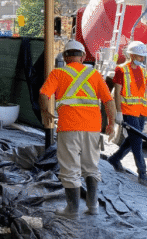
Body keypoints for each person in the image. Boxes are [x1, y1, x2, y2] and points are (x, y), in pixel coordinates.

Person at [39, 40, 116, 218]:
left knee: (70, 168)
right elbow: (108, 101)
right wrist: (111, 123)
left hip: (68, 127)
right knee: (91, 166)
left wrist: (45, 112)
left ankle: (72, 210)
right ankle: (93, 206)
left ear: (65, 57)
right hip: (92, 128)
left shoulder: (58, 73)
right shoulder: (95, 74)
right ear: (83, 57)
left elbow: (43, 94)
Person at [107, 41, 147, 187]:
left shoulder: (143, 71)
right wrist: (118, 112)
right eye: (140, 56)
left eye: (143, 56)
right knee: (137, 141)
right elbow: (117, 92)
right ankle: (143, 174)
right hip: (128, 110)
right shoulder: (121, 70)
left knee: (133, 138)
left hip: (141, 110)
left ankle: (115, 159)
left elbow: (144, 91)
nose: (142, 59)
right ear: (132, 55)